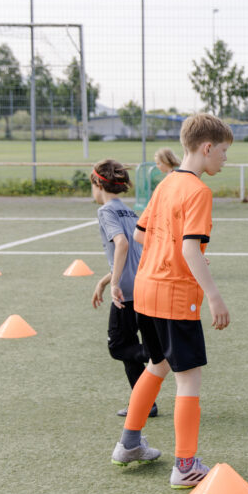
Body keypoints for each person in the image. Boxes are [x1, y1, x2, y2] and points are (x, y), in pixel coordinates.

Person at [110, 113, 233, 489]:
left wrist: (179, 252)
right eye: (224, 151)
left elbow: (144, 235)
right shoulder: (198, 191)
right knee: (188, 379)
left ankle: (128, 444)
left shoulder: (166, 184)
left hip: (146, 291)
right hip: (176, 294)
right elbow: (190, 248)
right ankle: (185, 465)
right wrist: (214, 296)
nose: (226, 160)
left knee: (156, 365)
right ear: (207, 147)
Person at [89, 159, 157, 419]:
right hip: (143, 284)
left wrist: (115, 283)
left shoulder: (106, 211)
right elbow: (134, 255)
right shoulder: (130, 212)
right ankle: (145, 404)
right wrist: (106, 280)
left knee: (118, 347)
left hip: (127, 291)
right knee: (130, 348)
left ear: (97, 183)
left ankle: (159, 354)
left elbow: (122, 245)